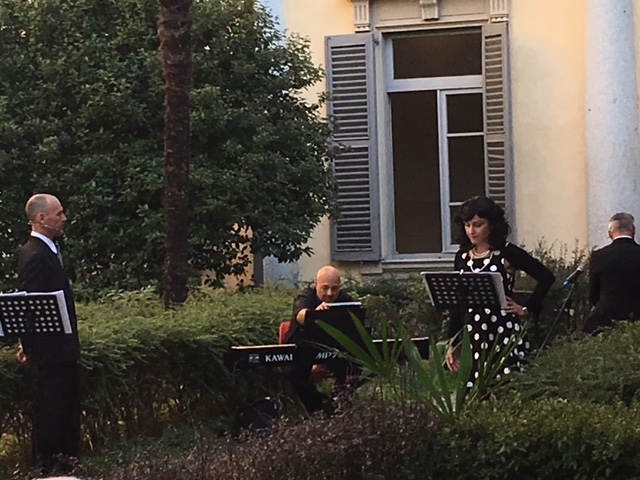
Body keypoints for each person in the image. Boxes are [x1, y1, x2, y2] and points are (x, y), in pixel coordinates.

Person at [445, 196, 555, 386]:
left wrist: (526, 308)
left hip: (503, 330)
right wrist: (452, 342)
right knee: (475, 386)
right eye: (467, 225)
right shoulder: (462, 256)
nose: (471, 231)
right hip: (473, 331)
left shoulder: (507, 252)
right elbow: (458, 304)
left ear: (492, 225)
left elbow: (546, 277)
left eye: (478, 225)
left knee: (506, 383)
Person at [16, 193, 81, 475]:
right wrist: (28, 346)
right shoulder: (35, 254)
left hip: (62, 348)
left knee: (67, 407)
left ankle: (67, 463)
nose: (63, 219)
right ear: (42, 218)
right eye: (59, 213)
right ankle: (50, 467)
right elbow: (28, 304)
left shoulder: (48, 249)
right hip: (50, 351)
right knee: (52, 410)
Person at [286, 266, 356, 414]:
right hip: (303, 351)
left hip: (334, 352)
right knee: (295, 373)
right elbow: (300, 314)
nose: (330, 293)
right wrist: (315, 315)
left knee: (353, 367)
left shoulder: (345, 300)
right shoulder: (306, 297)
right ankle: (318, 410)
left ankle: (339, 405)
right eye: (325, 288)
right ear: (316, 284)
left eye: (334, 288)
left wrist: (321, 362)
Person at [582, 212, 640, 334]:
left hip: (607, 320)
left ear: (610, 233)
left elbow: (594, 294)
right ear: (633, 231)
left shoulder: (599, 256)